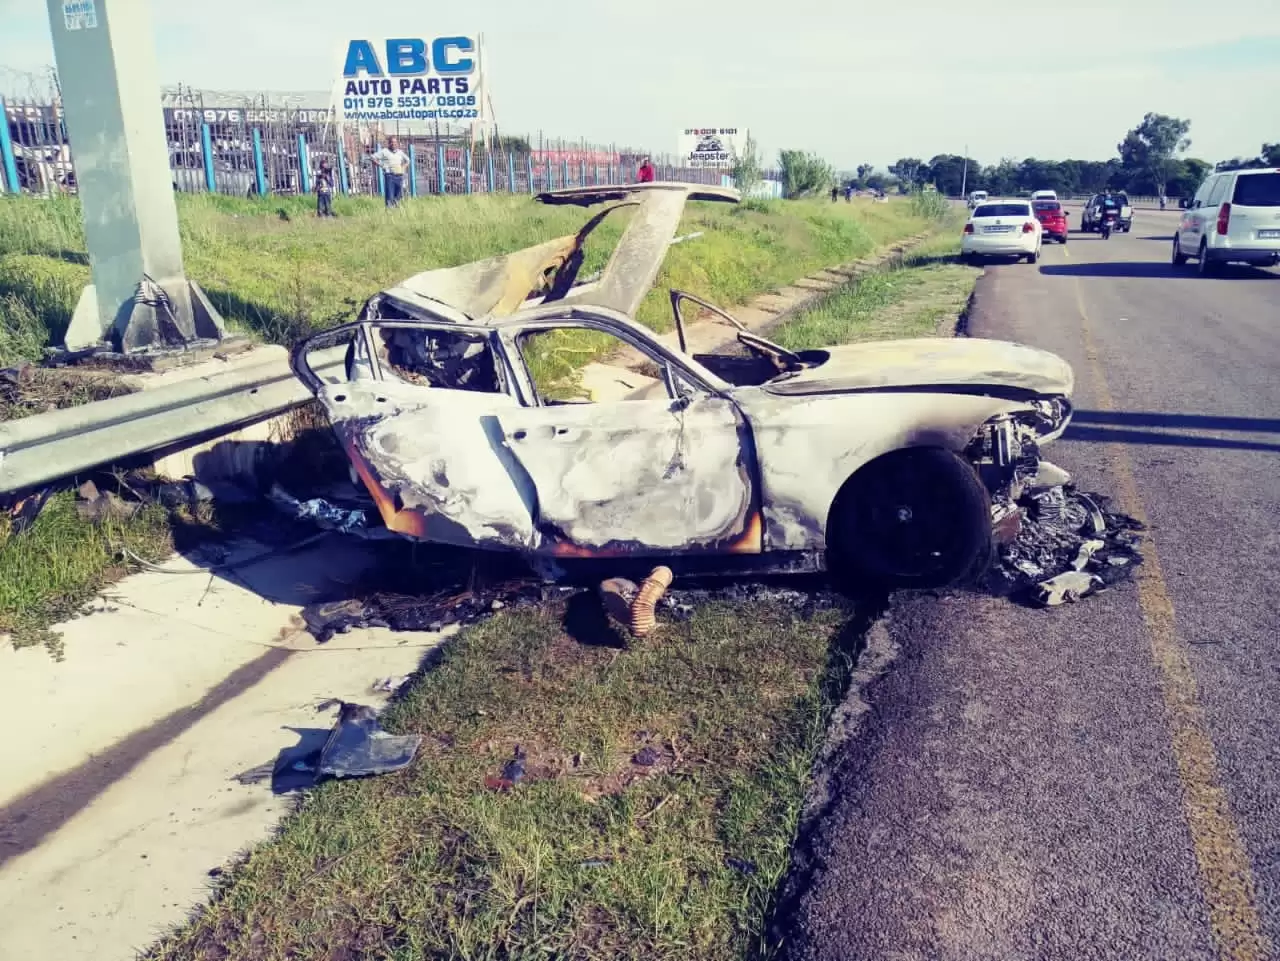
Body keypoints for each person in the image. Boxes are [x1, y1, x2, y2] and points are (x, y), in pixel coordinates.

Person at [371, 136, 410, 207]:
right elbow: (373, 157)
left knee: (399, 195)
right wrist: (381, 165)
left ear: (397, 143)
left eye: (395, 142)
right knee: (390, 195)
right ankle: (389, 211)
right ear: (389, 143)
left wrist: (403, 167)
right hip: (390, 176)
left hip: (399, 176)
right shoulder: (385, 151)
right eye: (391, 142)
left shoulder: (400, 152)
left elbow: (408, 160)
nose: (393, 144)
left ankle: (397, 211)